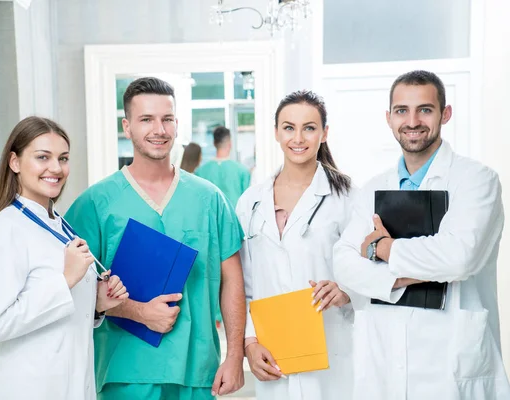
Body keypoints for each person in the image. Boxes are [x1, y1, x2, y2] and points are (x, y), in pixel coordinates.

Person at [65, 77, 246, 400]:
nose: (158, 129)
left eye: (167, 119)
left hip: (196, 370)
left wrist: (234, 356)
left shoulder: (209, 199)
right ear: (127, 126)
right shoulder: (96, 204)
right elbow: (71, 291)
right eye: (146, 119)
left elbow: (232, 280)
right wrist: (138, 311)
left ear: (177, 124)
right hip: (125, 371)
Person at [333, 70, 510, 399]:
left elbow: (458, 257)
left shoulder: (476, 180)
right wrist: (403, 278)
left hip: (451, 366)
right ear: (388, 118)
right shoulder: (373, 187)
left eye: (425, 109)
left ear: (446, 114)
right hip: (384, 361)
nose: (412, 121)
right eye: (402, 110)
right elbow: (343, 263)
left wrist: (382, 251)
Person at [0, 116, 129, 400]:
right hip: (29, 388)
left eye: (63, 158)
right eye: (42, 157)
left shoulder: (57, 223)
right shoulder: (5, 229)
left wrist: (97, 304)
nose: (56, 168)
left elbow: (63, 313)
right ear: (14, 162)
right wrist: (66, 279)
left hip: (72, 383)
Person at [237, 90, 355, 399]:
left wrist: (346, 291)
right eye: (289, 127)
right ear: (276, 132)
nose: (298, 137)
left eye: (310, 127)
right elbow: (245, 283)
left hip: (331, 349)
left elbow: (370, 270)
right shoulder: (251, 201)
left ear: (324, 133)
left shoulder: (348, 197)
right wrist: (249, 342)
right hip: (274, 349)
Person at [196, 126, 251, 208]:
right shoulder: (243, 172)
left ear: (214, 143)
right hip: (234, 219)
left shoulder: (200, 172)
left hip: (210, 219)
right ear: (230, 144)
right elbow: (247, 204)